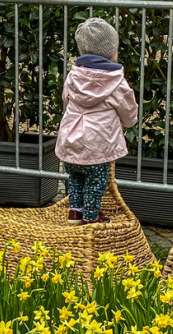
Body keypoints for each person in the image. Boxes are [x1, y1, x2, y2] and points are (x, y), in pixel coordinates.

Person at [55, 18, 138, 225]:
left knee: (75, 178)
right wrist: (129, 122)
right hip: (97, 145)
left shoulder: (73, 76)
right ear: (112, 52)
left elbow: (66, 98)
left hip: (70, 140)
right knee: (95, 183)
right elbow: (128, 110)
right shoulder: (116, 82)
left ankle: (75, 213)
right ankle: (91, 219)